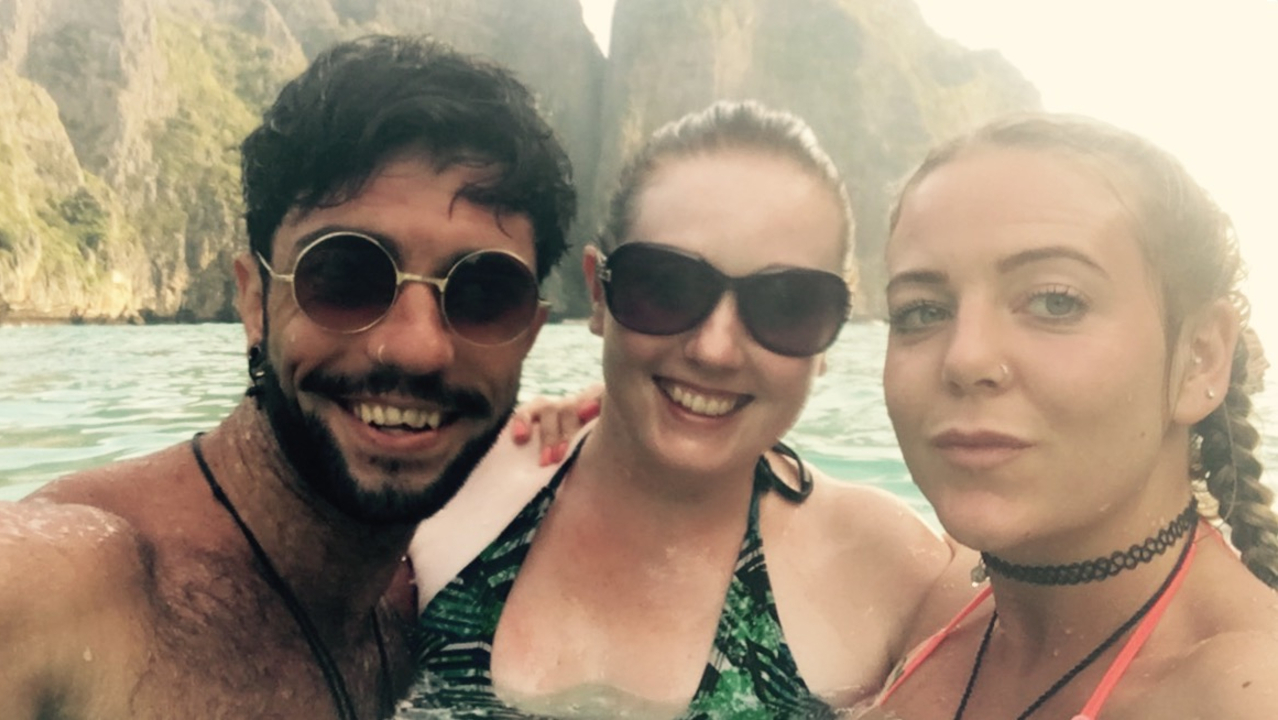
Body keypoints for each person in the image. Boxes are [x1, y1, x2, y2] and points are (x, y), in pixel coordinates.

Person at [0, 34, 574, 719]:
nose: (417, 348)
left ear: (529, 332)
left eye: (483, 294)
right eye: (346, 275)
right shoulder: (62, 592)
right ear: (253, 300)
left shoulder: (421, 601)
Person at [400, 100, 968, 719]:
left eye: (786, 305)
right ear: (598, 293)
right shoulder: (447, 492)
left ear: (830, 331)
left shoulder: (892, 573)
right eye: (665, 289)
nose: (715, 350)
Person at [861, 114, 1278, 719]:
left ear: (1200, 357)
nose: (965, 357)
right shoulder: (940, 602)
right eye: (922, 311)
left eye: (1056, 302)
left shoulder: (1244, 694)